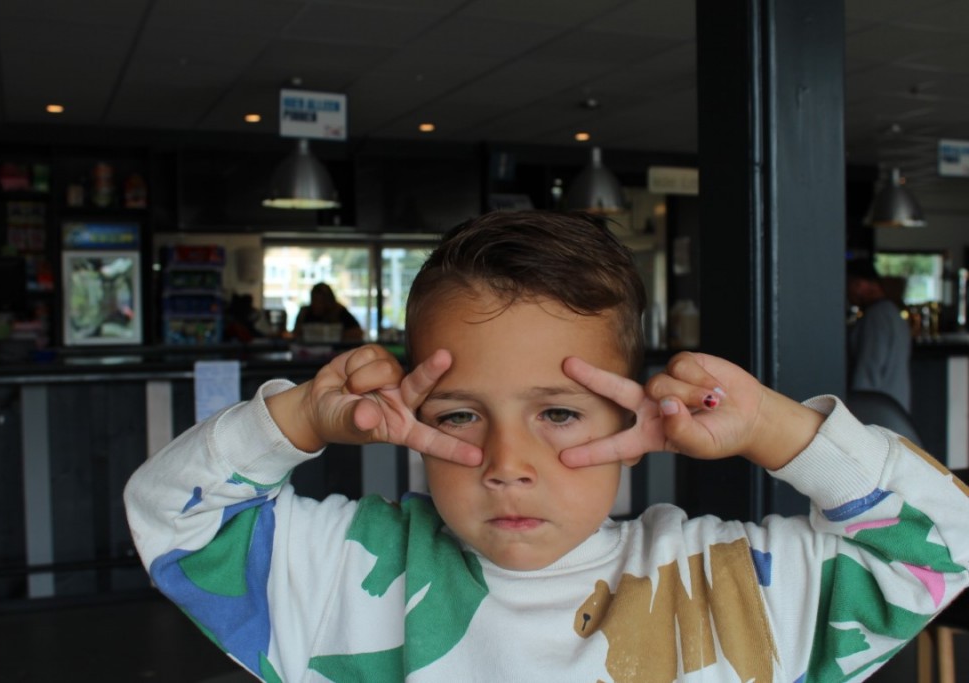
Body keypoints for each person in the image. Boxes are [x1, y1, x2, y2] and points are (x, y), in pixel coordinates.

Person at [125, 211, 969, 682]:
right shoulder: (350, 570)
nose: (507, 464)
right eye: (460, 415)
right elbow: (174, 519)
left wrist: (774, 428)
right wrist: (303, 416)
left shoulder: (724, 586)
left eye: (559, 413)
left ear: (633, 429)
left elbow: (948, 541)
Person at [846, 258, 913, 411]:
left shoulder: (876, 317)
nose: (847, 293)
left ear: (860, 284)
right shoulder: (892, 313)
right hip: (894, 407)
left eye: (849, 284)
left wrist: (857, 412)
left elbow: (868, 371)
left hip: (877, 411)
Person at [293, 282, 364, 343]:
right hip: (308, 352)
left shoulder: (339, 311)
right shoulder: (305, 312)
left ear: (330, 299)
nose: (319, 304)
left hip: (337, 352)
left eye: (322, 300)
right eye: (316, 299)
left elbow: (358, 333)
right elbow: (295, 334)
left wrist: (335, 334)